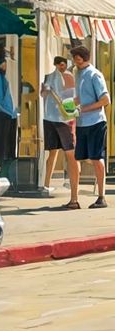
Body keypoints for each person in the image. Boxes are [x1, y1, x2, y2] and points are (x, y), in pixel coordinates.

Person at [65, 44, 109, 211]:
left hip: (96, 122)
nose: (73, 61)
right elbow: (81, 98)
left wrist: (84, 108)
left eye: (75, 58)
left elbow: (105, 100)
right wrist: (69, 106)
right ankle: (74, 200)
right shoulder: (79, 74)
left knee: (96, 158)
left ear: (81, 58)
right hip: (82, 123)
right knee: (77, 158)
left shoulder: (94, 74)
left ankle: (101, 197)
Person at [40, 54, 78, 189]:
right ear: (56, 64)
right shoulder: (49, 77)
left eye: (64, 64)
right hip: (52, 117)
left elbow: (72, 97)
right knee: (54, 151)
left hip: (62, 118)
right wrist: (45, 90)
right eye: (61, 65)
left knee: (69, 151)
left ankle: (71, 181)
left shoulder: (69, 76)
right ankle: (47, 183)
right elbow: (43, 95)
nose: (63, 67)